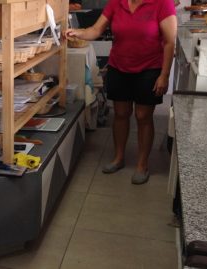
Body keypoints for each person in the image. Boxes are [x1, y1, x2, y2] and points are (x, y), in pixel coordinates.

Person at [65, 0, 177, 184]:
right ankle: (118, 158)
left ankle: (142, 164)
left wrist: (164, 75)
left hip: (149, 68)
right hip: (119, 66)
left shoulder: (163, 3)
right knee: (121, 113)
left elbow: (170, 42)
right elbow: (95, 30)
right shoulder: (116, 2)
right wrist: (77, 32)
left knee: (143, 116)